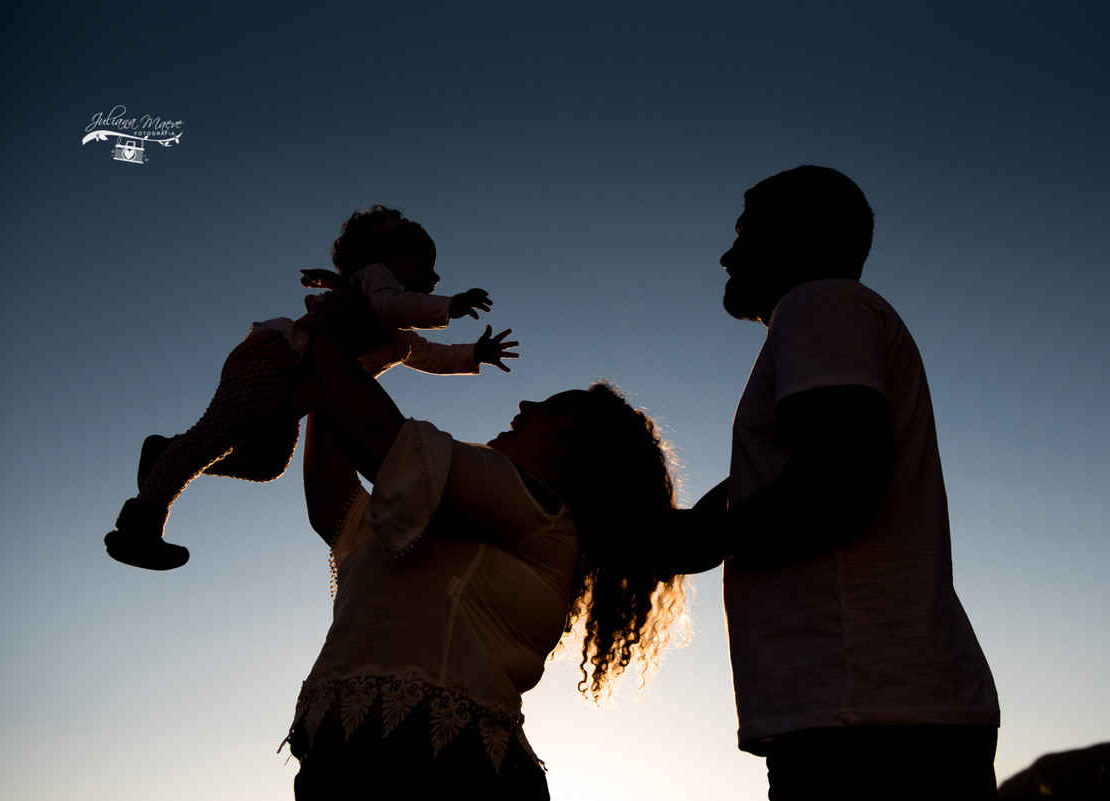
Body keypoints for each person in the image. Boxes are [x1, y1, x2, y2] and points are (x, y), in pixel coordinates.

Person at [667, 166, 1000, 799]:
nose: (726, 255)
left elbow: (844, 476)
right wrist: (692, 532)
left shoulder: (820, 302)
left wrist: (709, 540)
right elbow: (782, 477)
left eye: (745, 235)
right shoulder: (834, 320)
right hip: (878, 709)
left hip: (867, 717)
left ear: (797, 238)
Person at [283, 292, 687, 799]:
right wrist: (345, 355)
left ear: (582, 456)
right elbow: (334, 505)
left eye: (555, 407)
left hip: (446, 771)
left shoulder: (543, 515)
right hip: (341, 761)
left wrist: (327, 338)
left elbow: (376, 437)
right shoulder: (427, 516)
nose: (526, 404)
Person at [104, 206, 518, 571]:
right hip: (276, 362)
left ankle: (166, 454)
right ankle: (141, 523)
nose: (435, 276)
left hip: (291, 398)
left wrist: (473, 356)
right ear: (388, 260)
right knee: (216, 436)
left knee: (267, 464)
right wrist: (451, 305)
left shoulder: (397, 335)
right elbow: (390, 303)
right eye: (425, 264)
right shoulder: (374, 285)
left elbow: (431, 356)